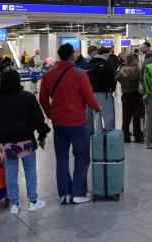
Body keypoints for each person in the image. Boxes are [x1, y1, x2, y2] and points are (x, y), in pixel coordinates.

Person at [39, 43, 101, 205]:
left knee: (61, 158)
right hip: (77, 123)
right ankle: (79, 192)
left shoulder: (48, 75)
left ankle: (65, 194)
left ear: (60, 56)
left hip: (59, 123)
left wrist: (50, 115)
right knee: (81, 156)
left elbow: (43, 99)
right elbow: (88, 97)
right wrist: (97, 108)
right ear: (72, 55)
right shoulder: (80, 74)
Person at [0, 69, 50, 214]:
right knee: (30, 169)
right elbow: (39, 120)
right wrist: (42, 134)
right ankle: (33, 201)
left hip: (6, 143)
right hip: (26, 141)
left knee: (11, 172)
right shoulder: (28, 97)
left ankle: (14, 204)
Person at [85, 47, 117, 133]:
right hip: (104, 93)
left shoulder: (89, 64)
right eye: (108, 53)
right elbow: (111, 80)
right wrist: (112, 88)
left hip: (91, 93)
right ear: (104, 54)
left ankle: (96, 133)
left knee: (95, 114)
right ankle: (109, 133)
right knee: (108, 114)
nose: (108, 56)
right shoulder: (105, 65)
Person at [116, 54, 143, 143]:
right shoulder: (137, 69)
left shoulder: (122, 70)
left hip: (126, 95)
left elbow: (117, 78)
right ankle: (137, 136)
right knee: (136, 117)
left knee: (126, 118)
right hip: (136, 95)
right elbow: (139, 79)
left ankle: (126, 137)